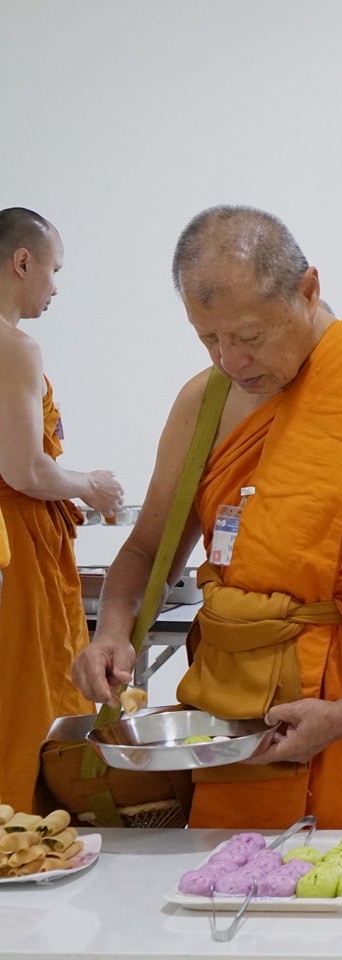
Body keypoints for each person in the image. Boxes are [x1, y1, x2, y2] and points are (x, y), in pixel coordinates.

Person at [72, 205, 342, 829]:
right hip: (235, 715)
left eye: (249, 337)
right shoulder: (206, 402)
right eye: (208, 338)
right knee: (233, 876)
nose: (230, 360)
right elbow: (149, 549)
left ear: (307, 289)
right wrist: (112, 632)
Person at [0, 207, 123, 805]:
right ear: (23, 262)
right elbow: (25, 470)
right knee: (29, 698)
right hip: (16, 547)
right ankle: (21, 827)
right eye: (55, 270)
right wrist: (89, 485)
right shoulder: (13, 346)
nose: (55, 287)